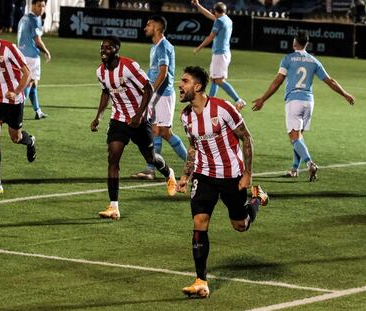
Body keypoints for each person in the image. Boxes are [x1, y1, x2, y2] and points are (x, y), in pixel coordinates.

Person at [176, 66, 269, 298]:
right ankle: (200, 280)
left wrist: (248, 173)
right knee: (200, 222)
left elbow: (246, 138)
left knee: (240, 225)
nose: (180, 85)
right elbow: (193, 146)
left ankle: (257, 197)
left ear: (197, 86)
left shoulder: (223, 108)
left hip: (231, 175)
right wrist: (186, 175)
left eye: (185, 81)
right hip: (204, 176)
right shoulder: (185, 116)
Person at [90, 36, 177, 220]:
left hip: (139, 119)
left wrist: (139, 115)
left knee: (150, 157)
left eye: (107, 47)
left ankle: (169, 173)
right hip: (118, 119)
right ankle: (113, 207)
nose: (103, 50)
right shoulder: (100, 72)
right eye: (101, 47)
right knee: (113, 158)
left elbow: (148, 88)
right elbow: (105, 92)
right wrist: (98, 116)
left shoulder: (129, 66)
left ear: (116, 49)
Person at [252, 30, 355, 181]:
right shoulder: (314, 61)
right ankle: (294, 169)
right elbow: (330, 80)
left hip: (294, 101)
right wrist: (345, 94)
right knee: (298, 137)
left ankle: (310, 164)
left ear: (295, 42)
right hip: (309, 102)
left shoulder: (288, 59)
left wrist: (263, 99)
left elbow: (277, 81)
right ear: (306, 43)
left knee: (294, 138)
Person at [0, 16, 36, 194]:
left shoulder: (9, 48)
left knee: (15, 137)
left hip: (13, 100)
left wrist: (17, 91)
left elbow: (27, 73)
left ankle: (30, 141)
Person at [131, 15, 187, 180]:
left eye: (148, 25)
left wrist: (151, 91)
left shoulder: (163, 46)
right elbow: (153, 71)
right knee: (154, 131)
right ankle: (150, 169)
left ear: (156, 27)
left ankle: (193, 163)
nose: (145, 28)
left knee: (164, 132)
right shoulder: (155, 47)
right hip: (156, 95)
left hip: (163, 95)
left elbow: (163, 73)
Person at [191, 0, 246, 111]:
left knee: (219, 80)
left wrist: (199, 48)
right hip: (223, 53)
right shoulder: (227, 19)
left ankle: (238, 100)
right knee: (214, 79)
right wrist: (198, 5)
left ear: (216, 11)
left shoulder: (219, 22)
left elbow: (210, 37)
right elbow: (209, 15)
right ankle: (209, 102)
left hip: (220, 55)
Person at [17, 0, 51, 120]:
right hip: (31, 57)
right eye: (39, 6)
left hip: (21, 55)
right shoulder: (35, 20)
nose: (41, 8)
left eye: (43, 6)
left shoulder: (24, 18)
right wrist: (46, 51)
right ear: (32, 5)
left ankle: (38, 111)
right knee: (28, 84)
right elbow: (37, 42)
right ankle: (17, 110)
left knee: (33, 84)